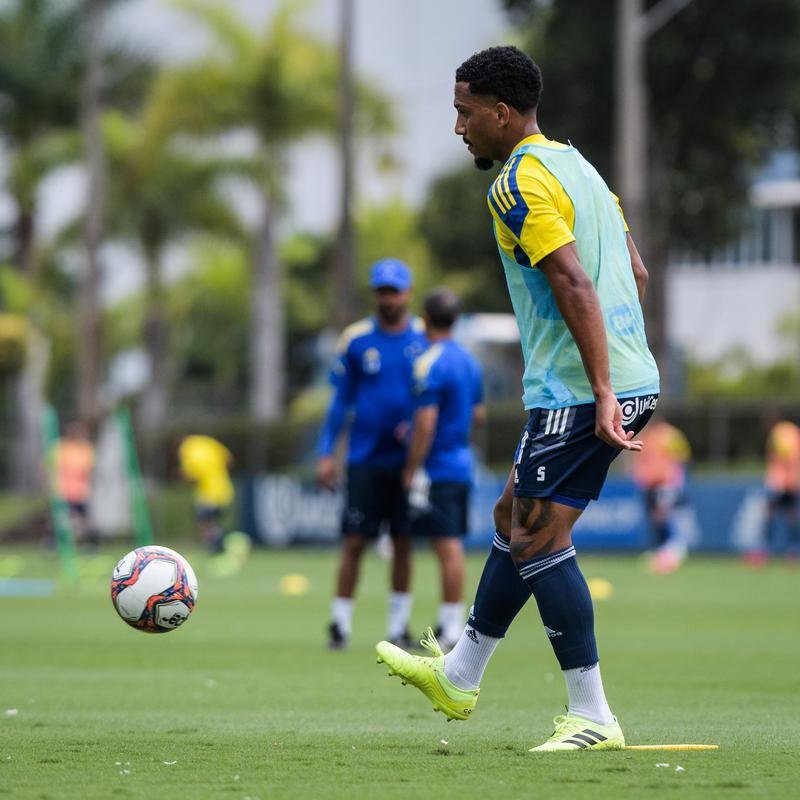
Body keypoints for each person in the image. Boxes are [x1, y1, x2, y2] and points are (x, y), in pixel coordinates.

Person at [376, 45, 660, 752]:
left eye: (464, 113)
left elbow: (571, 280)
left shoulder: (516, 183)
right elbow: (635, 272)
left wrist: (600, 388)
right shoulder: (580, 168)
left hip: (580, 391)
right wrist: (622, 367)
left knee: (538, 536)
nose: (458, 127)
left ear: (501, 114)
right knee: (513, 516)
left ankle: (592, 715)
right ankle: (460, 675)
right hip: (619, 378)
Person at [317, 258, 427, 650]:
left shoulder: (424, 337)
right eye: (381, 290)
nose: (387, 298)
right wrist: (325, 452)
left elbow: (435, 397)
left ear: (408, 293)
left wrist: (415, 429)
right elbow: (340, 401)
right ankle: (339, 624)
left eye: (394, 291)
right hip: (363, 458)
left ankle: (398, 626)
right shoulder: (356, 339)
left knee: (403, 543)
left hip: (407, 462)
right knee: (354, 541)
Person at [404, 288, 485, 651]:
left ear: (424, 319)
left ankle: (453, 628)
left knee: (447, 546)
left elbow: (425, 422)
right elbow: (478, 414)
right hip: (462, 461)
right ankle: (449, 623)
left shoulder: (430, 362)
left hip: (438, 467)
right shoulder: (469, 361)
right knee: (449, 545)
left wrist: (412, 466)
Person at [631, 419, 692, 574]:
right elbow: (642, 461)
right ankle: (660, 552)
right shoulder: (646, 435)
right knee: (654, 521)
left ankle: (671, 553)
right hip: (649, 486)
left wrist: (675, 482)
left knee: (665, 517)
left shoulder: (670, 435)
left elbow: (682, 459)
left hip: (666, 485)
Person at [746, 419, 800, 566]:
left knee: (777, 514)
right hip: (788, 480)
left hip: (783, 482)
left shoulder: (780, 434)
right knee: (788, 515)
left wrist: (781, 479)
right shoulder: (791, 430)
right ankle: (791, 551)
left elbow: (787, 455)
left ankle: (772, 550)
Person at [178, 434, 235, 553]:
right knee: (211, 521)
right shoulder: (207, 442)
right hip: (224, 489)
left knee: (204, 522)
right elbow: (229, 459)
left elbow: (190, 475)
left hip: (207, 494)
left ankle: (216, 546)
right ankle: (219, 544)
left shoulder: (187, 450)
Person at [54, 421, 96, 547]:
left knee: (81, 519)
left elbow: (89, 470)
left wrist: (88, 486)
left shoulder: (85, 448)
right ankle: (58, 542)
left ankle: (86, 543)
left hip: (80, 491)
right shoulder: (61, 447)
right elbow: (50, 467)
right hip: (63, 490)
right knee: (63, 519)